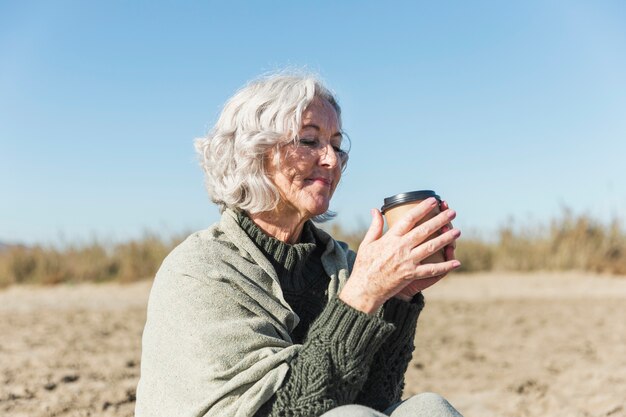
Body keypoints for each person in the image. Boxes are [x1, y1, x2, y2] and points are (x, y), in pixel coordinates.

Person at [135, 72, 463, 417]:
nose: (332, 160)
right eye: (309, 141)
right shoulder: (202, 269)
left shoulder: (339, 265)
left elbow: (375, 395)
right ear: (254, 152)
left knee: (428, 408)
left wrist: (399, 295)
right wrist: (363, 295)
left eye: (336, 145)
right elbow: (284, 411)